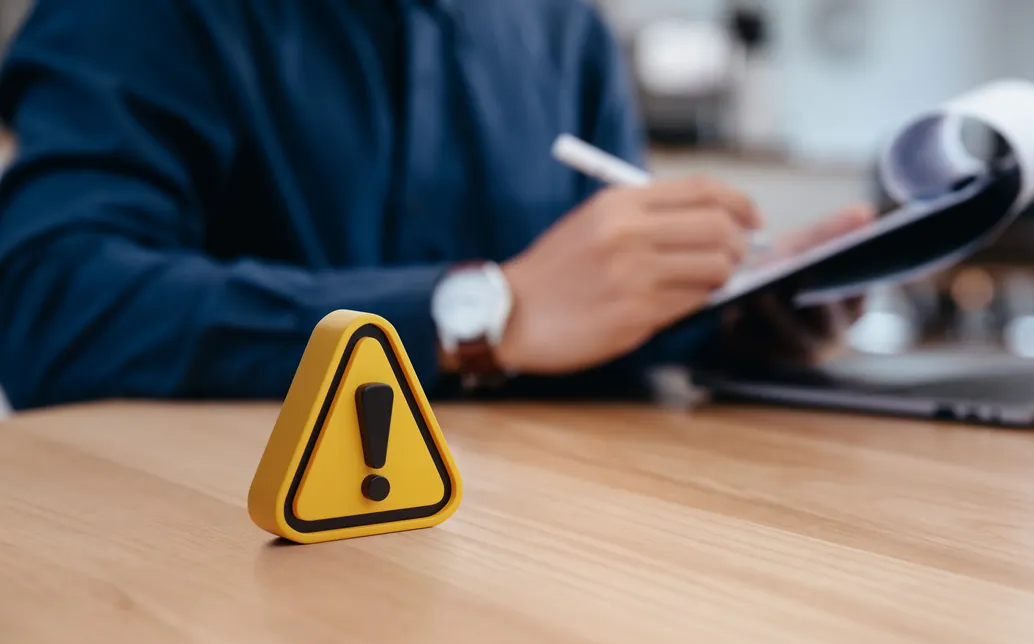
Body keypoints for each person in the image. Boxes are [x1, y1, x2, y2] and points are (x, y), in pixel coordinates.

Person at [0, 0, 872, 411]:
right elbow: (53, 307)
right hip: (237, 546)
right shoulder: (144, 17)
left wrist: (718, 313)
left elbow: (577, 313)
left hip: (546, 547)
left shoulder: (566, 30)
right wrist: (483, 311)